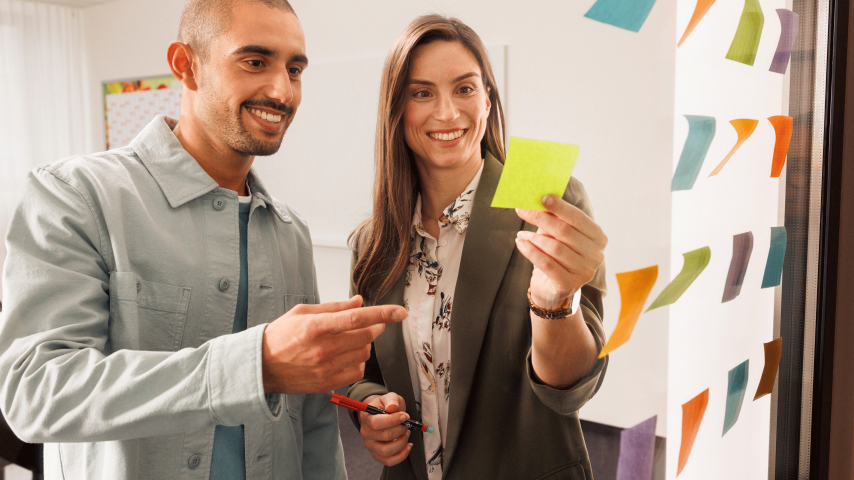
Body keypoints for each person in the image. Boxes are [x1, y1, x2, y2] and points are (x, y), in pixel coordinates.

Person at [0, 1, 406, 479]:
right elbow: (35, 392)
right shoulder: (75, 195)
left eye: (294, 69)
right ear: (185, 65)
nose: (282, 90)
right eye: (255, 61)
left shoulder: (290, 232)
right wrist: (253, 365)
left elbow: (312, 422)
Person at [347, 14, 609, 480]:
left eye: (465, 89)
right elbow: (366, 370)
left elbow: (570, 390)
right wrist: (370, 407)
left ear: (488, 100)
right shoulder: (374, 241)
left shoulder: (546, 199)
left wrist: (555, 303)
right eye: (422, 92)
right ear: (397, 110)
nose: (447, 113)